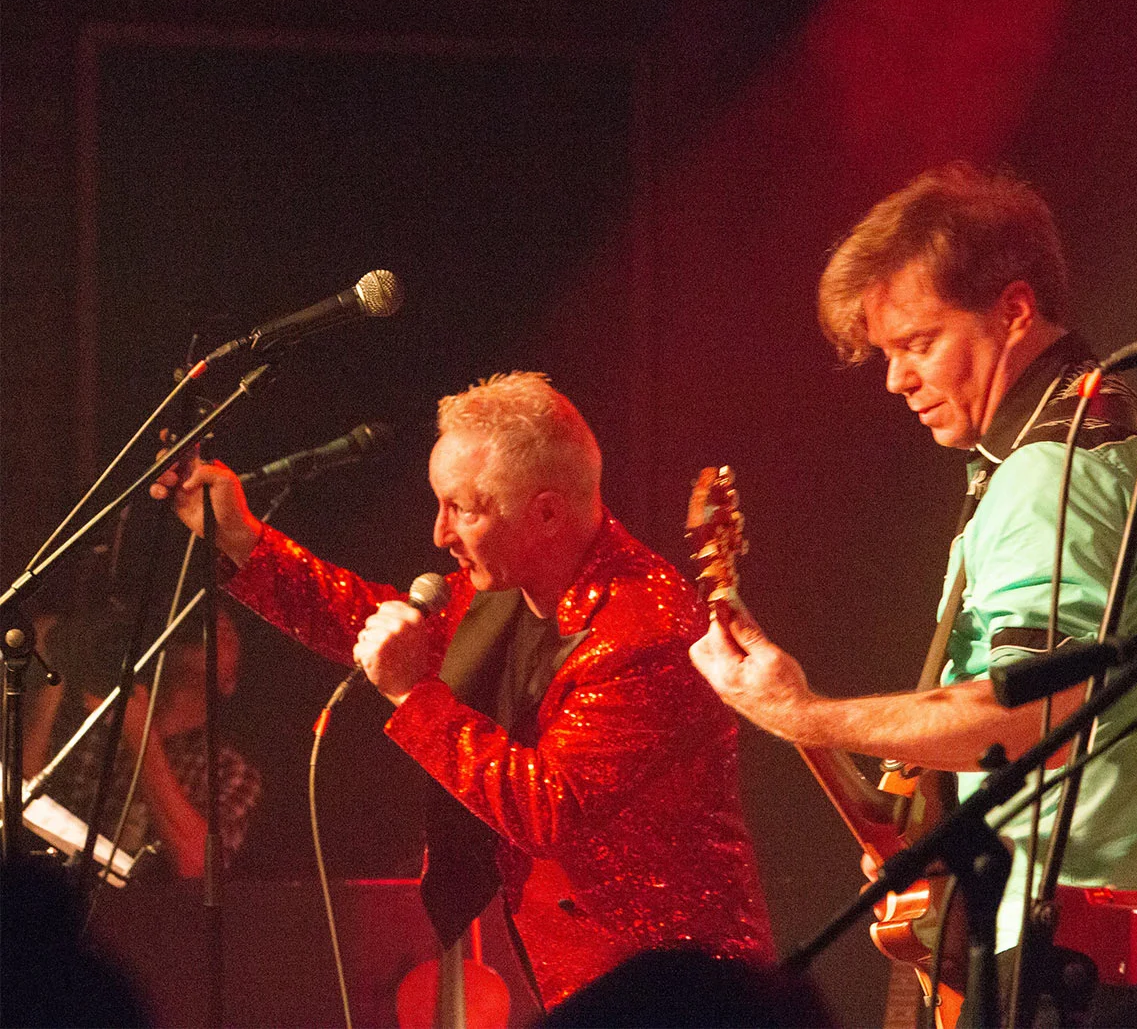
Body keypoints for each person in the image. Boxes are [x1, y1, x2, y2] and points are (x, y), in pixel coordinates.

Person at [690, 163, 1137, 1027]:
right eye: (887, 353)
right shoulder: (1112, 442)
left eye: (919, 342)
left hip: (1099, 956)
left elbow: (1024, 720)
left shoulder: (1052, 475)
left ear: (1015, 309)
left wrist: (801, 713)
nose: (896, 379)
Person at [151, 372, 774, 1012]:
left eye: (463, 509)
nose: (440, 535)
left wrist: (412, 698)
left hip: (683, 992)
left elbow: (546, 808)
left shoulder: (644, 628)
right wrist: (239, 537)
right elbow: (368, 619)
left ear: (547, 514)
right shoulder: (506, 590)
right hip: (591, 980)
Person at [22, 602, 262, 880]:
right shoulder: (96, 720)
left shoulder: (229, 770)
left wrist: (140, 734)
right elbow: (20, 793)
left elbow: (198, 863)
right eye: (197, 626)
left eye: (226, 634)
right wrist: (55, 675)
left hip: (124, 906)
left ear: (230, 682)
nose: (208, 630)